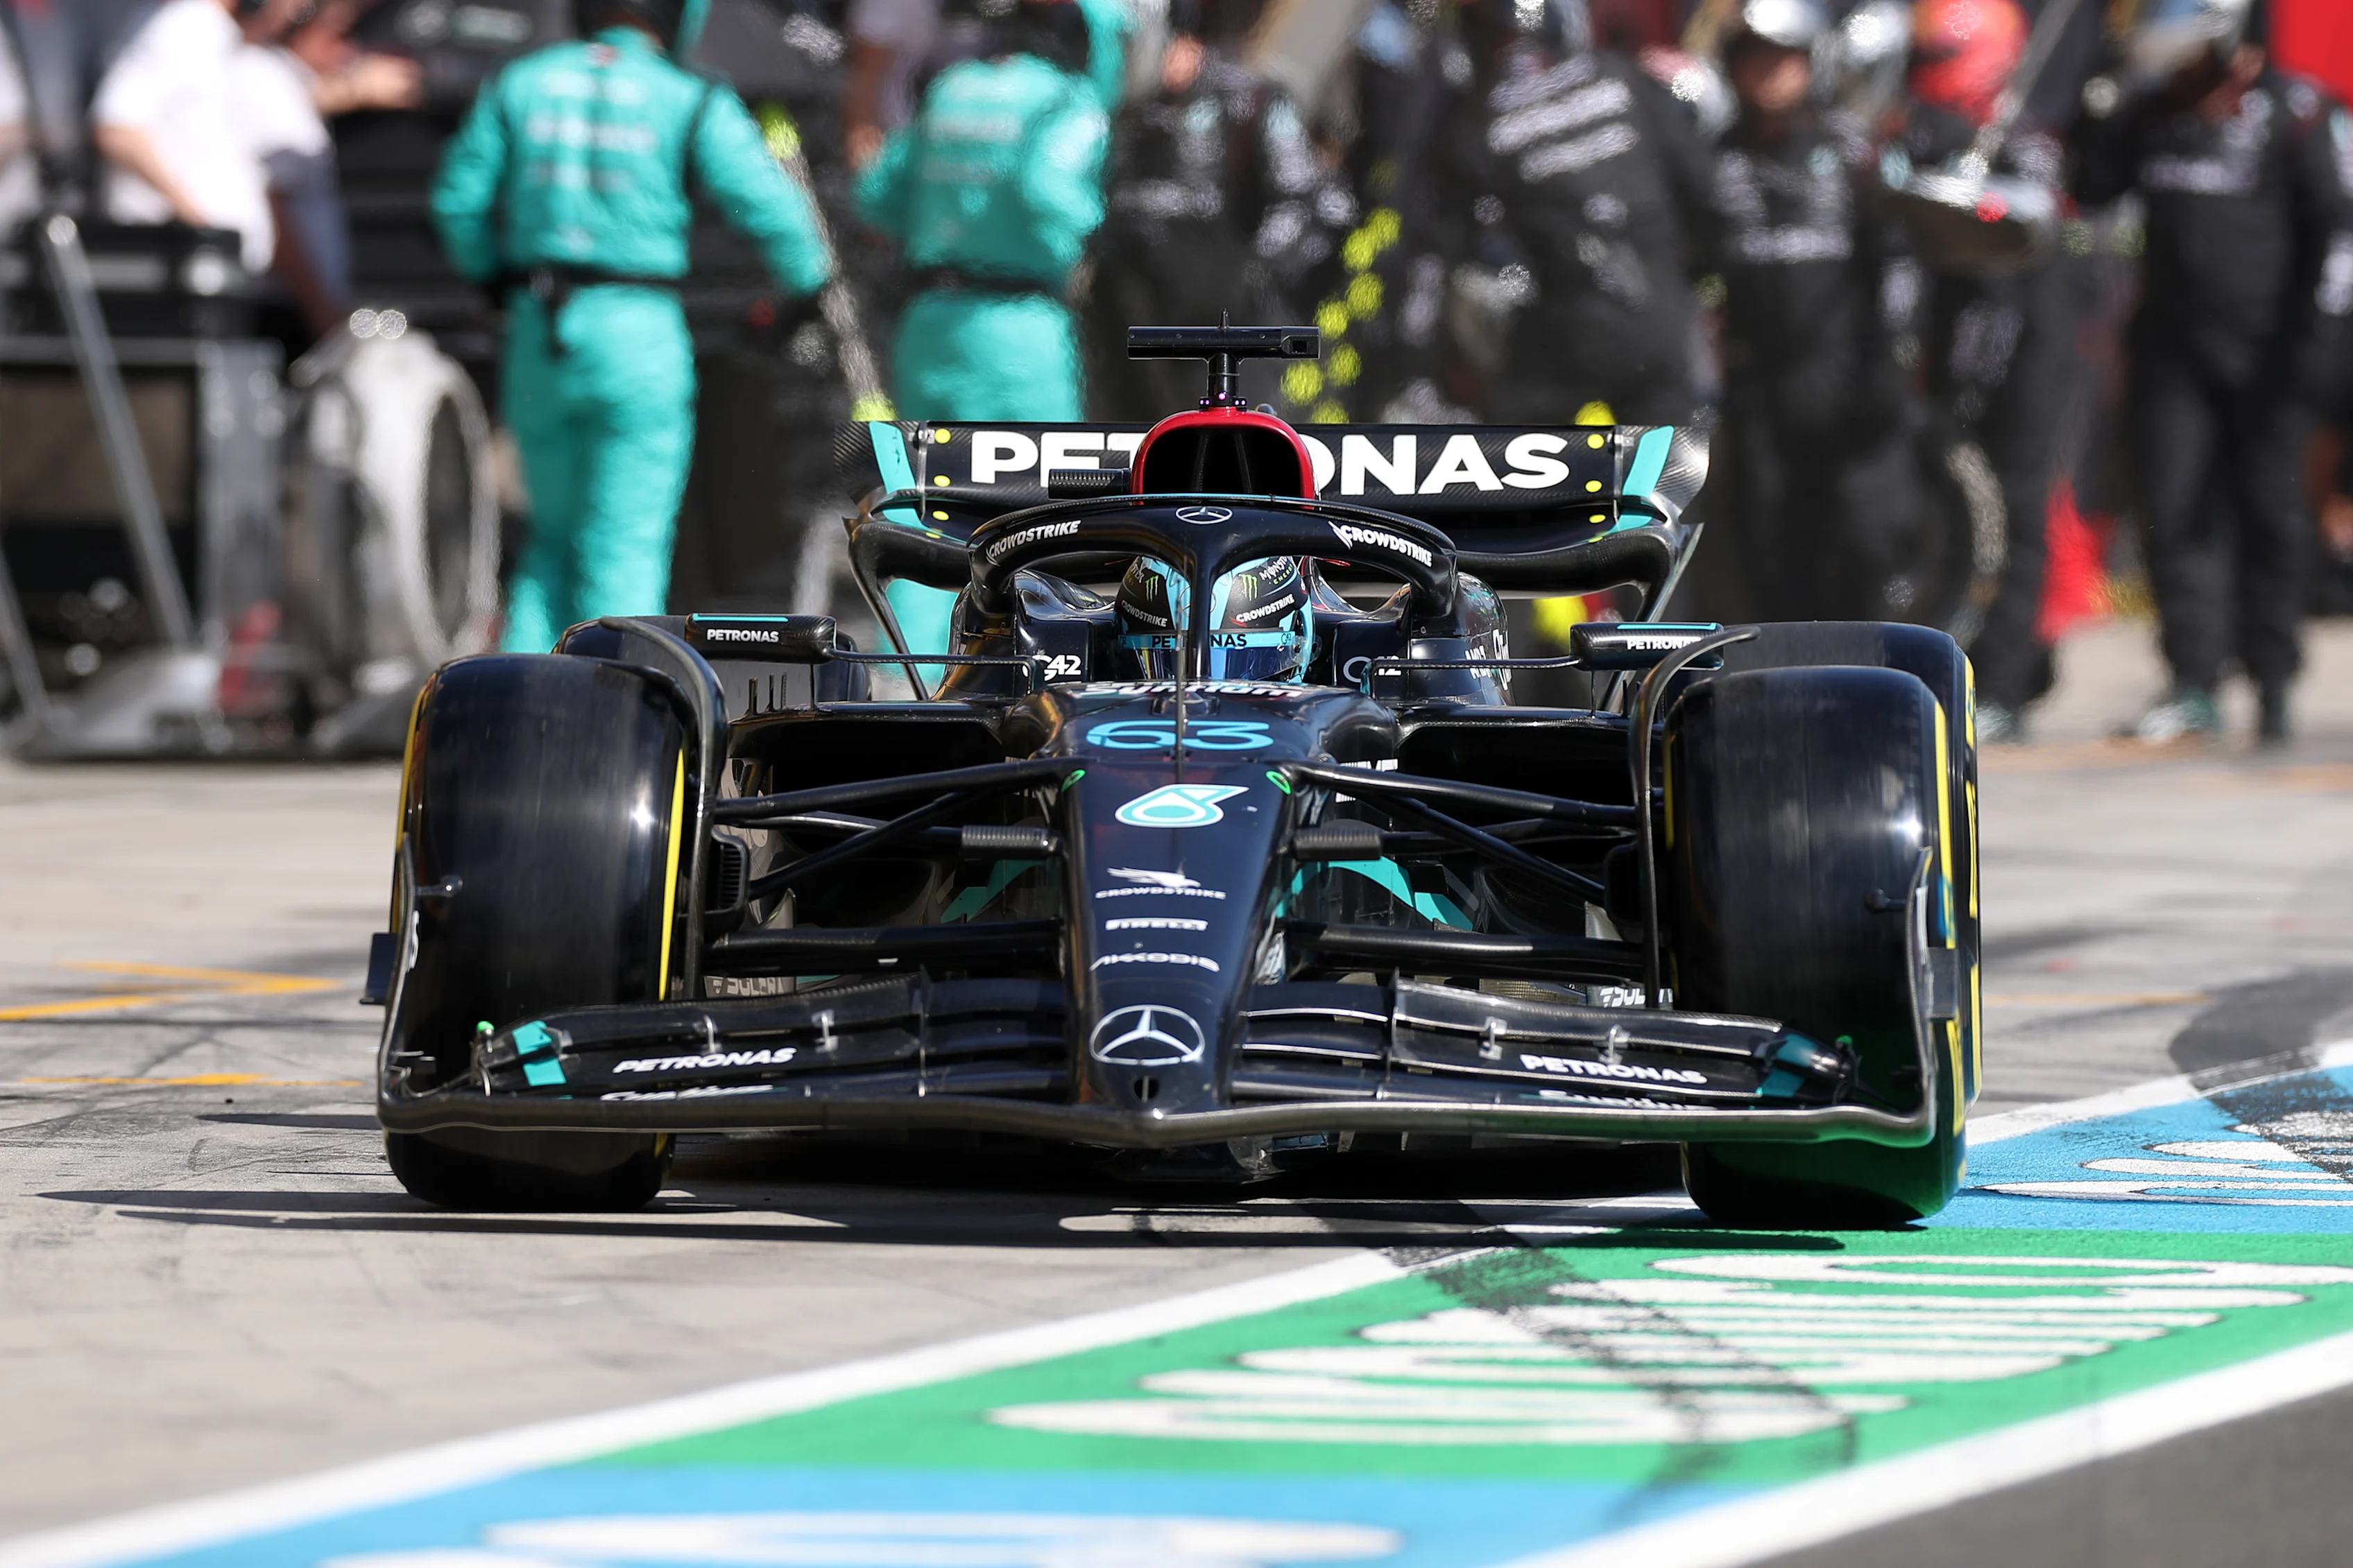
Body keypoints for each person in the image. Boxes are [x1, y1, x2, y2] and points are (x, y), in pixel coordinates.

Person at [431, 0, 832, 654]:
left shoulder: (522, 81)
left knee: (549, 540)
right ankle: (614, 715)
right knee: (624, 543)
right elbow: (780, 219)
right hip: (639, 334)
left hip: (540, 334)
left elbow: (457, 203)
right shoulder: (687, 95)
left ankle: (520, 715)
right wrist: (797, 300)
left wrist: (496, 282)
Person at [2073, 0, 2353, 743]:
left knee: (2270, 514)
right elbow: (2092, 186)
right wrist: (2100, 95)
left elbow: (2337, 230)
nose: (2179, 71)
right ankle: (2192, 680)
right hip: (2171, 356)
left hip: (2272, 359)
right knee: (2171, 512)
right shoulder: (2148, 113)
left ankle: (2270, 680)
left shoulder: (2291, 112)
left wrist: (2312, 348)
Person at [854, 0, 1109, 653]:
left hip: (931, 323)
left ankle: (904, 675)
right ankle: (1027, 672)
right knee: (1046, 513)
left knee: (923, 505)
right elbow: (1047, 186)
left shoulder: (951, 89)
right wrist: (1097, 238)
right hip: (1020, 329)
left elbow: (878, 194)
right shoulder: (1065, 99)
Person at [1899, 0, 2083, 738]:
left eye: (1936, 61)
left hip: (2028, 350)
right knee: (1951, 513)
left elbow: (2027, 227)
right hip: (1953, 349)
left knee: (2018, 509)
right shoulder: (1927, 135)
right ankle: (1954, 664)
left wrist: (1976, 191)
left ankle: (2006, 679)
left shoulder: (2025, 141)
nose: (1923, 80)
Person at [1706, 0, 1915, 620]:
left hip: (1849, 379)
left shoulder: (1855, 150)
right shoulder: (1716, 157)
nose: (1768, 73)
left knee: (1861, 541)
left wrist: (1892, 359)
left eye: (1783, 58)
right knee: (1769, 543)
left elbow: (1898, 257)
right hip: (1757, 384)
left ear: (1811, 63)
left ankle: (1871, 684)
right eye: (1753, 59)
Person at [1452, 0, 1718, 427]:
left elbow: (1460, 234)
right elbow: (1705, 186)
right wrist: (1693, 277)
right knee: (1662, 475)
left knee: (1518, 462)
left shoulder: (1478, 117)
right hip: (1657, 315)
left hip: (1567, 328)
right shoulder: (1621, 75)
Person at [91, 0, 274, 276]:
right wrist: (197, 220)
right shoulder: (182, 25)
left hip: (213, 265)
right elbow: (116, 129)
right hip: (179, 263)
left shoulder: (211, 31)